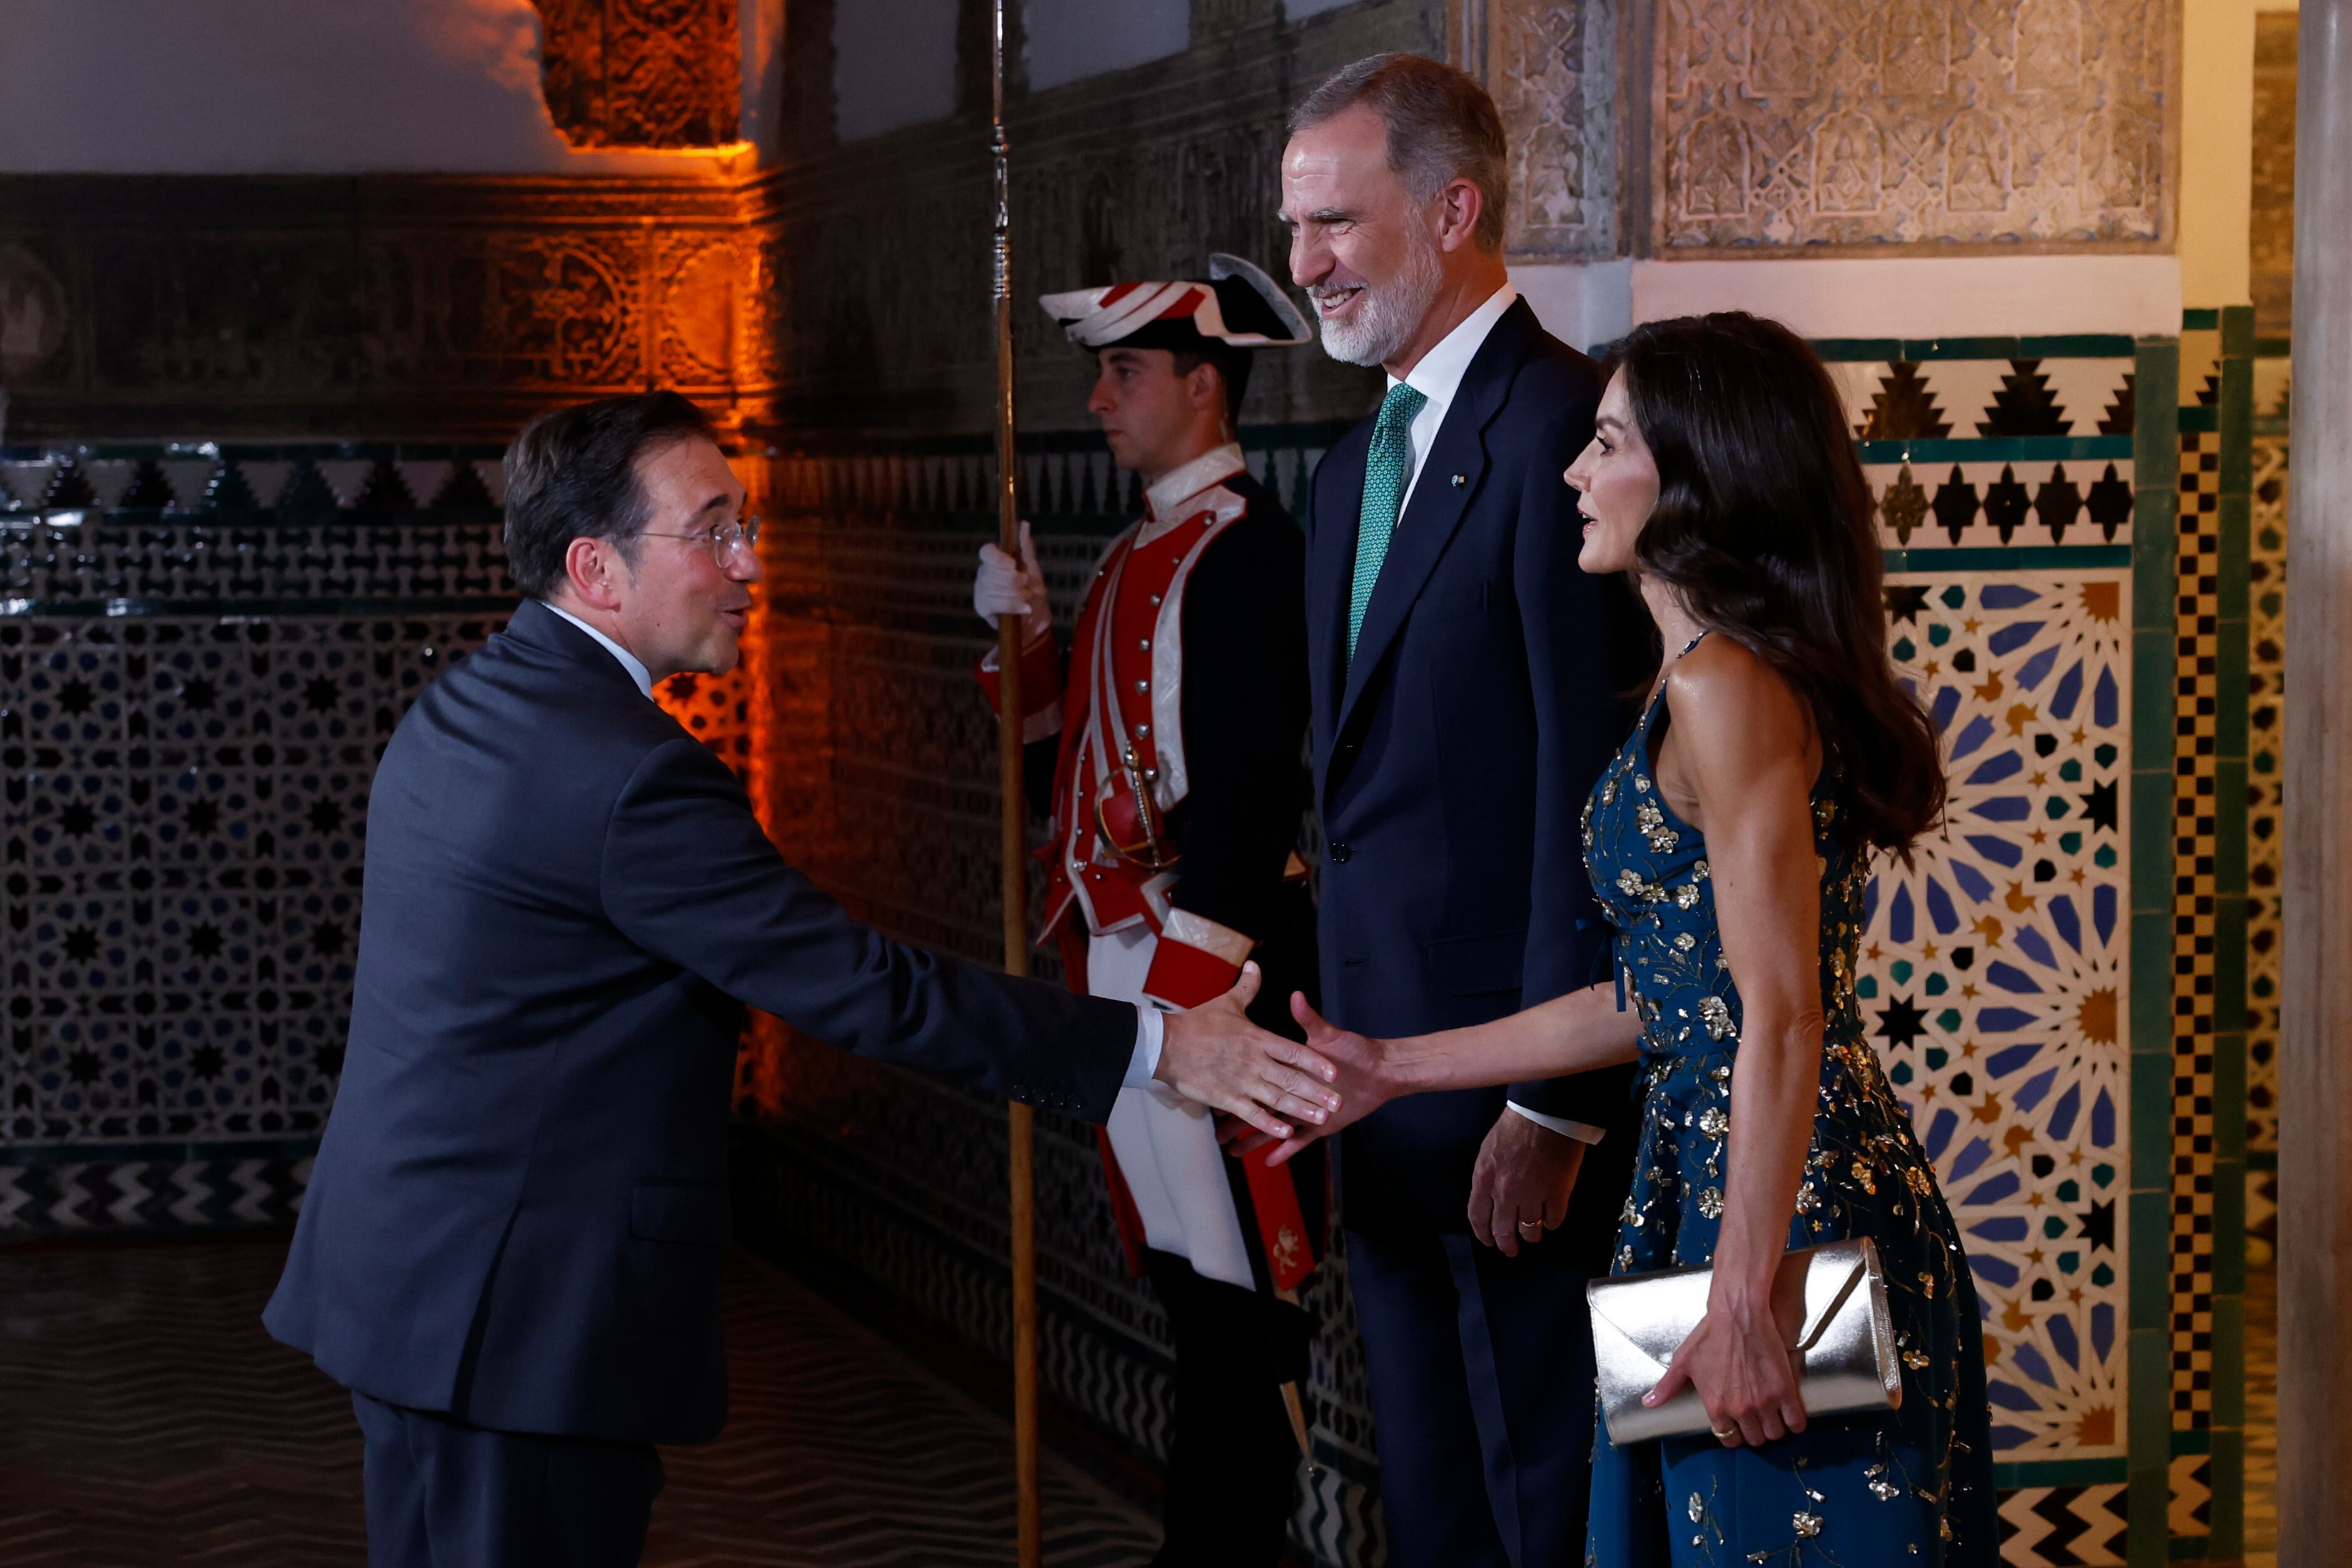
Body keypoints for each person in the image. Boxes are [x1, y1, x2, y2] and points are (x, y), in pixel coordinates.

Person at [261, 392, 1345, 1568]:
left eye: (748, 528)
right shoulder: (631, 778)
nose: (749, 563)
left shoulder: (466, 704)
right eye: (714, 531)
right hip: (523, 1321)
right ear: (596, 568)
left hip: (411, 1285)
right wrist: (1156, 1045)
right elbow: (866, 987)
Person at [1264, 312, 2001, 1564]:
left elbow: (1781, 1015)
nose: (1571, 471)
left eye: (1605, 442)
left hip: (1780, 1207)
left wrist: (1743, 1296)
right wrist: (1391, 1066)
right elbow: (1664, 991)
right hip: (1698, 1189)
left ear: (1693, 476)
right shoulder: (1689, 678)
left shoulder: (1725, 687)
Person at [1275, 53, 1641, 1565]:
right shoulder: (1347, 469)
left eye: (1335, 226)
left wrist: (1555, 1105)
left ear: (1451, 210)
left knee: (1542, 1503)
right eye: (1293, 230)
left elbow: (1594, 789)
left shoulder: (1572, 433)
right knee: (1436, 1507)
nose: (1304, 267)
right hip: (1380, 1096)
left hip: (1520, 1114)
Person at [970, 255, 1321, 1567]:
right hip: (1120, 961)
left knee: (1242, 1301)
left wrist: (1185, 1000)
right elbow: (1062, 772)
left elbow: (1244, 793)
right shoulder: (1137, 548)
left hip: (1204, 975)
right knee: (1184, 1283)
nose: (1097, 400)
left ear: (1201, 385)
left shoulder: (1244, 553)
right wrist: (1021, 648)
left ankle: (1228, 1549)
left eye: (1123, 373)